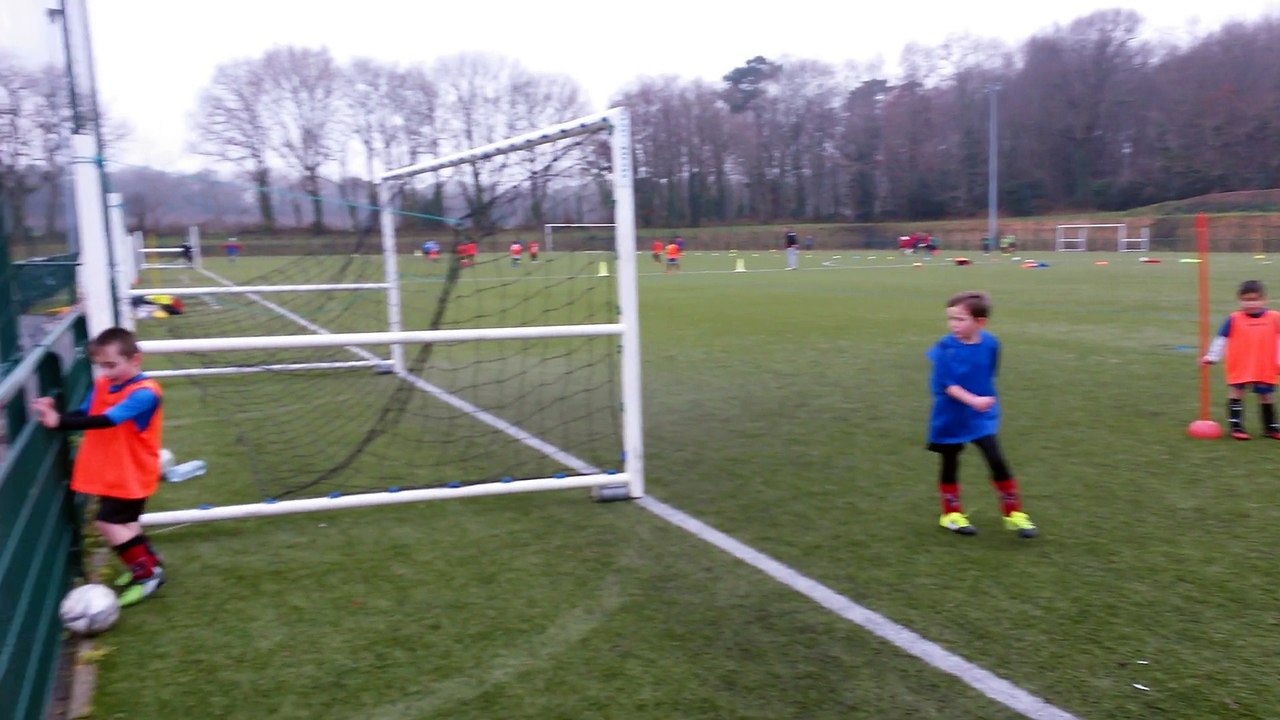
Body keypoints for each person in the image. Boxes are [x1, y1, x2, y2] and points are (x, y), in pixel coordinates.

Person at [32, 327, 167, 606]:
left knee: (108, 522)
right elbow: (86, 413)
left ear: (135, 360)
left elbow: (108, 419)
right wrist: (55, 415)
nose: (107, 372)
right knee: (126, 523)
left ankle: (146, 574)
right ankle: (151, 564)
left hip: (133, 474)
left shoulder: (145, 393)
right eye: (101, 366)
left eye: (112, 365)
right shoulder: (104, 384)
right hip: (113, 473)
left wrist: (59, 423)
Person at [926, 291, 1037, 538]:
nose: (953, 325)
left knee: (995, 458)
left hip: (980, 415)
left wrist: (982, 401)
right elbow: (947, 385)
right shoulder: (944, 347)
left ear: (980, 322)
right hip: (951, 414)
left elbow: (989, 373)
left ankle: (1013, 513)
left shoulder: (991, 344)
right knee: (950, 461)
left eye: (960, 319)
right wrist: (974, 400)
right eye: (950, 319)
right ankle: (951, 514)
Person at [1200, 279, 1280, 440]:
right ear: (1239, 300)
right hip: (1240, 365)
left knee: (1266, 395)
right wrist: (1211, 357)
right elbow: (1221, 339)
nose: (1251, 304)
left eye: (1255, 300)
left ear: (1264, 300)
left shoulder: (1275, 318)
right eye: (1246, 300)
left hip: (1265, 365)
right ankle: (1236, 427)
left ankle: (1270, 427)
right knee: (1236, 393)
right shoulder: (1234, 319)